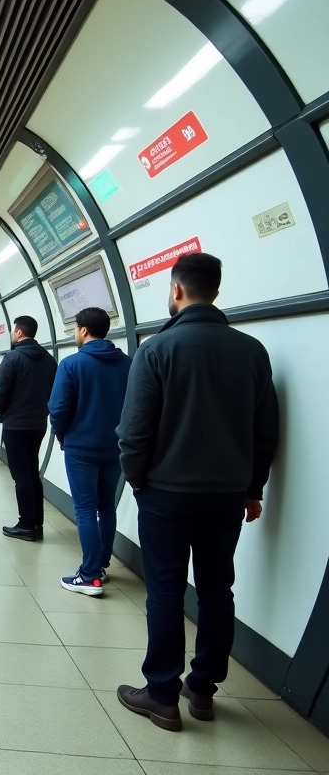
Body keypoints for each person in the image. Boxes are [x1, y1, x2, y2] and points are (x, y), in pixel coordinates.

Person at [115, 253, 278, 732]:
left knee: (165, 589)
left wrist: (138, 478)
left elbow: (134, 430)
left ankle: (161, 694)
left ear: (176, 290)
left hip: (165, 492)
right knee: (216, 588)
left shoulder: (156, 350)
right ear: (217, 291)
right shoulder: (252, 351)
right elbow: (265, 429)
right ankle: (202, 689)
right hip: (227, 494)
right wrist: (253, 488)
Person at [47, 307, 132, 596]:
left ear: (83, 330)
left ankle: (90, 575)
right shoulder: (128, 364)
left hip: (81, 447)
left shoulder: (72, 364)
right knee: (106, 506)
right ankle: (102, 564)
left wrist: (61, 432)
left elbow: (58, 408)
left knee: (85, 510)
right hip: (115, 447)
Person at [0, 316, 57, 541]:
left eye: (12, 331)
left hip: (15, 425)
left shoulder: (12, 359)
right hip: (38, 423)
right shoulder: (49, 360)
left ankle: (26, 525)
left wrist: (1, 409)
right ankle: (36, 523)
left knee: (21, 476)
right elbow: (54, 391)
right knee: (32, 473)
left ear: (19, 333)